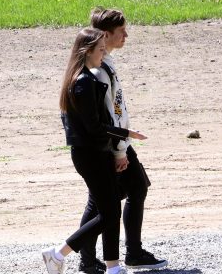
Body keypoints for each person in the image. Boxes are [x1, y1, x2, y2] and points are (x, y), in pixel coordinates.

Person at [42, 27, 148, 274]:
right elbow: (95, 127)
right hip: (90, 155)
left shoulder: (83, 78)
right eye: (100, 49)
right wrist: (126, 134)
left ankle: (112, 267)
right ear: (86, 51)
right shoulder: (83, 82)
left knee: (110, 210)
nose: (104, 53)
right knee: (109, 213)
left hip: (96, 152)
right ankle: (58, 253)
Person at [75, 9, 167, 273]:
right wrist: (119, 151)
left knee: (125, 191)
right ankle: (94, 257)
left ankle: (104, 256)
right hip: (113, 144)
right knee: (112, 198)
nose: (126, 35)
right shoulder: (99, 70)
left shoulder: (105, 63)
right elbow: (110, 114)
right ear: (105, 35)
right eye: (121, 31)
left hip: (117, 142)